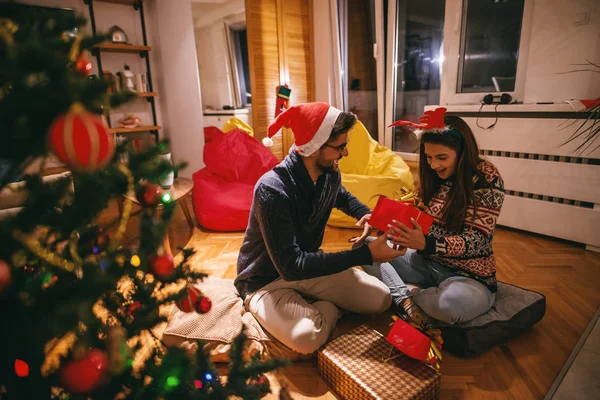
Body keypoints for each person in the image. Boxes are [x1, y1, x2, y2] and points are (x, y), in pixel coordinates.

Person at [234, 102, 404, 354]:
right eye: (340, 147)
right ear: (314, 147)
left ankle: (316, 308)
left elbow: (341, 196)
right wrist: (366, 255)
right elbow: (290, 267)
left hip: (309, 269)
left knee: (381, 299)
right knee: (306, 339)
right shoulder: (272, 189)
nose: (345, 153)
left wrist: (363, 213)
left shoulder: (330, 173)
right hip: (266, 281)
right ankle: (326, 308)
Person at [357, 108, 505, 325]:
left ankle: (407, 293)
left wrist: (429, 244)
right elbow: (416, 216)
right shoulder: (433, 176)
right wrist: (379, 219)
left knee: (449, 307)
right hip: (425, 262)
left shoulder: (486, 178)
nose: (434, 165)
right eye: (428, 157)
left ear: (463, 152)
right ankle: (406, 299)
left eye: (442, 157)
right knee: (362, 250)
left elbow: (478, 242)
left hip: (468, 276)